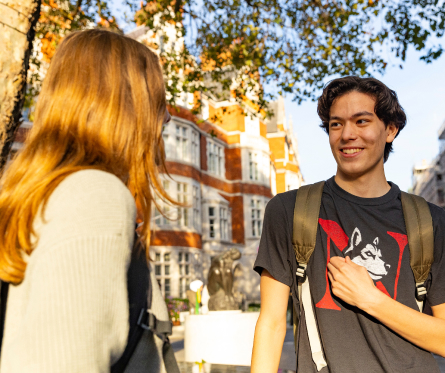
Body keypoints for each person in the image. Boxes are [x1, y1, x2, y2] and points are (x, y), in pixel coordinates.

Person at [0, 29, 177, 372]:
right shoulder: (95, 196)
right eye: (157, 101)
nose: (167, 117)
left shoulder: (58, 194)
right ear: (123, 107)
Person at [251, 76, 445, 373]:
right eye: (336, 124)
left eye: (362, 121)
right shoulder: (289, 211)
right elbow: (271, 324)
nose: (347, 135)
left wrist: (371, 299)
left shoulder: (431, 222)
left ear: (390, 129)